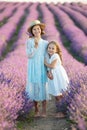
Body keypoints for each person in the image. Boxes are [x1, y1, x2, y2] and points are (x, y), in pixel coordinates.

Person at [25, 20, 50, 118]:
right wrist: (35, 46)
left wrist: (48, 69)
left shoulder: (45, 43)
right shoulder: (29, 41)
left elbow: (47, 56)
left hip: (42, 66)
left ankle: (44, 110)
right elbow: (29, 55)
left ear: (41, 30)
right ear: (32, 31)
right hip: (33, 66)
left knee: (44, 87)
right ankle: (36, 109)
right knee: (34, 86)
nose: (36, 31)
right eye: (34, 29)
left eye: (38, 29)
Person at [44, 40, 69, 118]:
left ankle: (61, 112)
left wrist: (44, 62)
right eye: (49, 48)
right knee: (57, 94)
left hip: (58, 77)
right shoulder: (51, 56)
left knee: (58, 94)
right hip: (55, 76)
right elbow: (50, 68)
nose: (50, 50)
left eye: (52, 48)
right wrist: (48, 72)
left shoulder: (55, 56)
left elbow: (52, 66)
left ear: (56, 50)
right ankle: (61, 110)